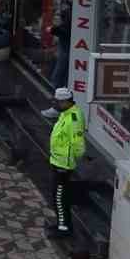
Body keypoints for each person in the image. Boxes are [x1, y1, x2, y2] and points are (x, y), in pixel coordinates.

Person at [47, 87, 86, 239]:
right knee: (57, 196)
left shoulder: (74, 118)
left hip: (64, 165)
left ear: (65, 102)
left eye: (58, 102)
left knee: (59, 197)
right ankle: (60, 223)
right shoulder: (66, 114)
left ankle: (64, 228)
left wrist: (72, 158)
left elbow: (78, 145)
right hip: (57, 161)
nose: (56, 105)